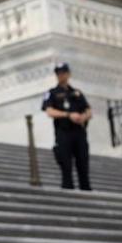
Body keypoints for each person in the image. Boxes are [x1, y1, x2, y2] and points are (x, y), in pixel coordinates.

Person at [41, 62, 93, 190]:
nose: (61, 75)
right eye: (58, 73)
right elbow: (49, 111)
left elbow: (88, 110)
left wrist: (83, 117)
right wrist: (68, 115)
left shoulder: (77, 93)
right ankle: (68, 190)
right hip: (63, 132)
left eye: (63, 72)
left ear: (68, 74)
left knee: (83, 164)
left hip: (79, 132)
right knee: (66, 165)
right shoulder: (52, 93)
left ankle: (86, 191)